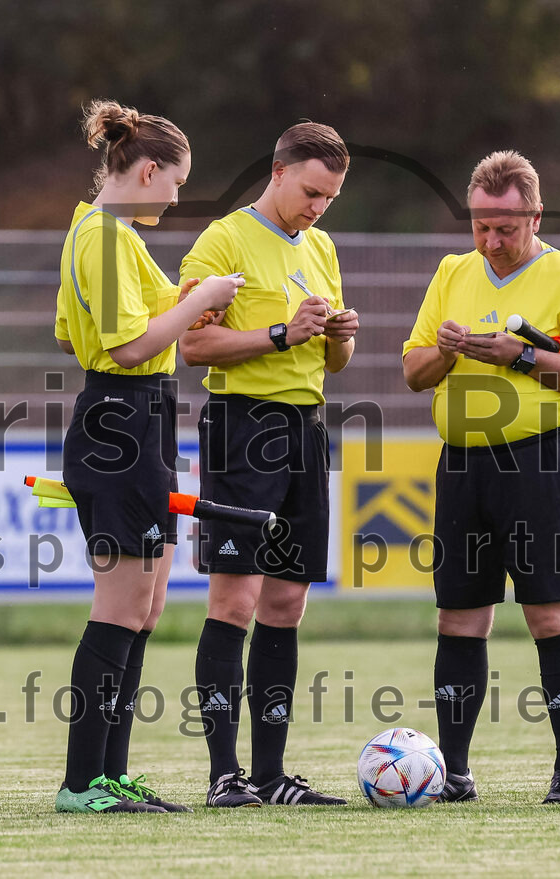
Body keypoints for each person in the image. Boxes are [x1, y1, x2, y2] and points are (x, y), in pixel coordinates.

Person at [403, 150, 560, 805]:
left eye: (505, 229)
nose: (491, 242)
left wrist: (521, 356)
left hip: (537, 461)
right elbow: (412, 370)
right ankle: (455, 773)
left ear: (535, 216)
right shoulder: (451, 271)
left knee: (550, 614)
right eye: (480, 227)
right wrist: (442, 350)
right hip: (462, 465)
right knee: (458, 618)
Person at [52, 99, 243, 814]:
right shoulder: (102, 235)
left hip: (142, 419)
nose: (176, 195)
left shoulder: (109, 233)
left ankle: (110, 773)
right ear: (152, 168)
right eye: (177, 181)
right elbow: (127, 346)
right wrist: (198, 305)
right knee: (122, 602)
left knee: (147, 603)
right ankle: (82, 782)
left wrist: (187, 297)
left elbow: (73, 335)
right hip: (119, 424)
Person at [177, 122, 357, 808]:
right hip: (242, 427)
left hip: (306, 429)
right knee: (237, 600)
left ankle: (272, 774)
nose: (318, 206)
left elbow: (330, 362)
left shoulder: (322, 246)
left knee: (286, 602)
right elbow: (196, 346)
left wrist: (337, 337)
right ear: (278, 172)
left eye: (330, 197)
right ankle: (225, 775)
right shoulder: (223, 240)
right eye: (311, 191)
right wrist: (283, 332)